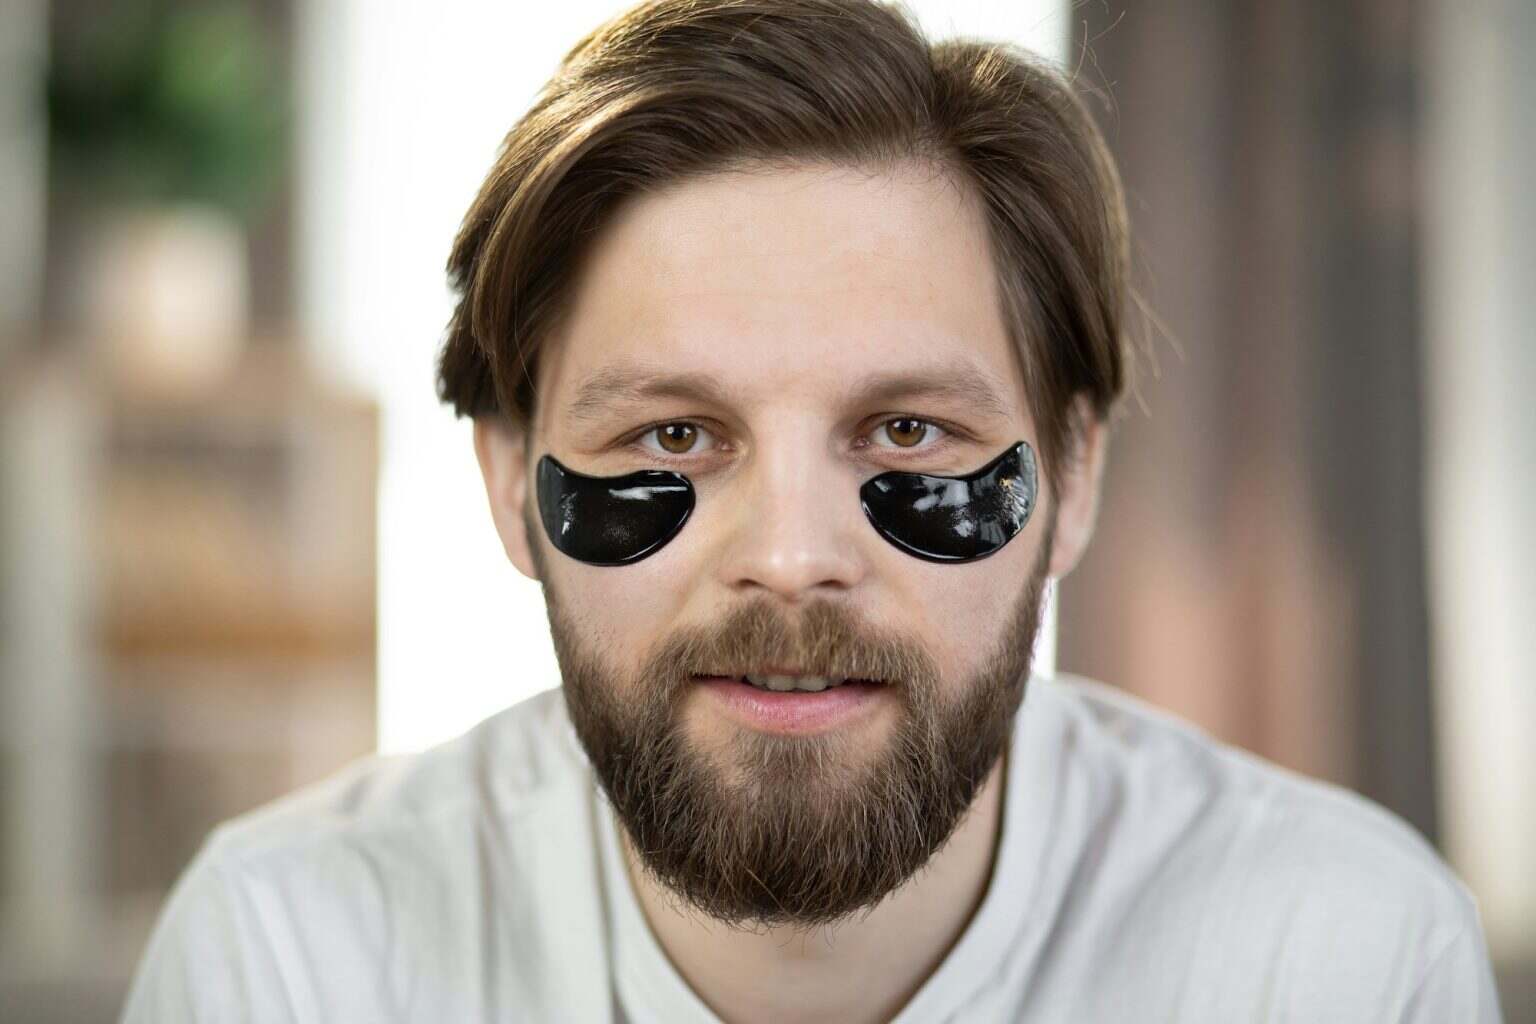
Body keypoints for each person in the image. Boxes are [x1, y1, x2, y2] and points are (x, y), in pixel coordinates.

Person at [121, 1, 1505, 1021]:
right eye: (673, 435)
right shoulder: (289, 960)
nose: (789, 562)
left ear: (1072, 479)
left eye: (908, 432)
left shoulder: (1340, 962)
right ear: (508, 484)